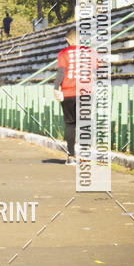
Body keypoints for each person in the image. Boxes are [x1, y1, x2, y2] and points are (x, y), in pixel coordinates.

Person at [54, 26, 99, 164]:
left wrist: (56, 88)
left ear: (68, 40)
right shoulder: (91, 52)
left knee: (70, 124)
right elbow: (97, 69)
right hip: (86, 91)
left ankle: (71, 156)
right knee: (85, 123)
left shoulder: (63, 53)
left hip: (67, 93)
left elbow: (61, 72)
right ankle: (85, 157)